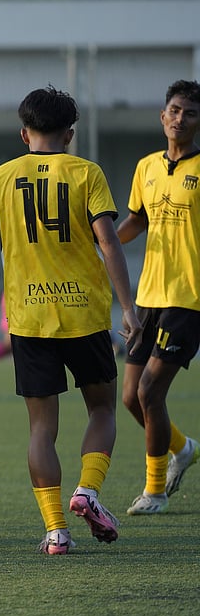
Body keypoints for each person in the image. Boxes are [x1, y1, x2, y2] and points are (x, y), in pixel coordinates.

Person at [0, 86, 137, 555]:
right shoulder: (87, 173)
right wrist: (129, 308)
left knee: (41, 429)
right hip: (85, 315)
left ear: (24, 134)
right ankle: (88, 490)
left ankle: (57, 531)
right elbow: (109, 243)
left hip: (29, 318)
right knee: (102, 410)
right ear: (70, 135)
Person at [117, 79, 200, 515]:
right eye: (174, 110)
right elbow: (137, 220)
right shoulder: (146, 166)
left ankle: (155, 492)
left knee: (150, 391)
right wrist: (103, 243)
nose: (180, 119)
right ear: (163, 115)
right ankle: (183, 448)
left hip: (188, 298)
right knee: (131, 397)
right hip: (148, 295)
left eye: (190, 113)